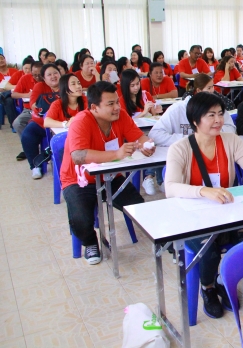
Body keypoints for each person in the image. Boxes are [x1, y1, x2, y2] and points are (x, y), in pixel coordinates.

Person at [164, 92, 243, 318]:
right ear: (195, 120)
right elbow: (170, 187)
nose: (218, 120)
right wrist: (203, 191)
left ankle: (223, 279)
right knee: (208, 247)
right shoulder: (180, 148)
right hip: (194, 216)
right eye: (210, 115)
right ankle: (208, 287)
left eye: (220, 114)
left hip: (226, 212)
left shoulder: (231, 141)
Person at [60, 81, 154, 265]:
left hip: (110, 175)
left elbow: (139, 136)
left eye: (117, 102)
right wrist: (116, 154)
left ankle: (161, 239)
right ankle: (90, 242)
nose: (117, 107)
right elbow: (78, 156)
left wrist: (147, 145)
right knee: (80, 219)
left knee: (138, 205)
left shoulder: (121, 116)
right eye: (111, 104)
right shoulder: (81, 121)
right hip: (79, 179)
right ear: (94, 107)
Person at [149, 73, 236, 147]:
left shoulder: (217, 107)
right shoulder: (178, 109)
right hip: (185, 153)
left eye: (212, 87)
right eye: (208, 88)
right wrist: (191, 140)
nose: (212, 91)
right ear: (198, 90)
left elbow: (231, 129)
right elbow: (155, 135)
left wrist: (209, 136)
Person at [21, 63, 61, 179]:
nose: (53, 76)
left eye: (55, 73)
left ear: (60, 74)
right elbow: (33, 105)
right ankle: (35, 166)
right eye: (49, 75)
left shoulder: (66, 85)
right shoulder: (40, 86)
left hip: (61, 123)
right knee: (27, 135)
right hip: (42, 123)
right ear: (44, 78)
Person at [11, 61, 42, 154]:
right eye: (34, 75)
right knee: (17, 123)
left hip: (45, 111)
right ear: (31, 72)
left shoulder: (48, 79)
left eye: (39, 75)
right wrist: (27, 95)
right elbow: (14, 94)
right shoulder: (25, 78)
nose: (37, 77)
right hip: (29, 109)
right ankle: (28, 146)